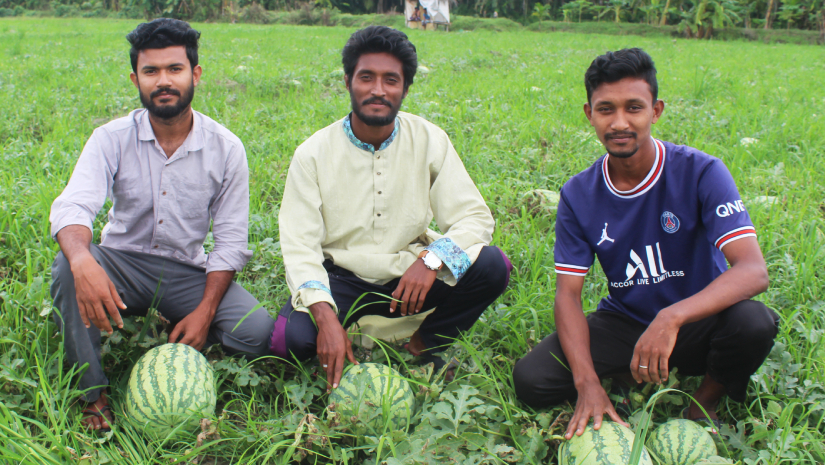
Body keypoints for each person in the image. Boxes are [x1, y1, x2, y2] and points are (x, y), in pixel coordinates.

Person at [512, 48, 779, 439]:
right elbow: (568, 295)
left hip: (696, 320)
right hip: (626, 321)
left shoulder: (702, 172)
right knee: (532, 380)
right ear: (589, 115)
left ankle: (704, 401)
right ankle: (626, 370)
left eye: (634, 108)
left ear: (656, 111)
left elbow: (753, 271)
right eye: (606, 109)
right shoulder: (578, 193)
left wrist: (670, 317)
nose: (620, 122)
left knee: (754, 323)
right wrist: (587, 383)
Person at [49, 19, 274, 431]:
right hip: (121, 264)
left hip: (185, 270)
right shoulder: (111, 138)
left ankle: (180, 321)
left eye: (175, 69)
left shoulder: (225, 148)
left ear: (196, 75)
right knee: (68, 266)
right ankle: (92, 394)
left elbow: (228, 241)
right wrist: (84, 263)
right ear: (136, 78)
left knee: (256, 333)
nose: (163, 81)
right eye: (151, 71)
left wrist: (205, 312)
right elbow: (73, 207)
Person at [270, 26, 511, 391]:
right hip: (341, 279)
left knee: (493, 266)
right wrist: (324, 314)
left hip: (408, 277)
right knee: (287, 342)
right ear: (348, 80)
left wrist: (432, 259)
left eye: (391, 80)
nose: (378, 90)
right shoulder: (313, 153)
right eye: (366, 77)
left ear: (406, 88)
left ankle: (425, 341)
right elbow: (299, 245)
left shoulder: (429, 139)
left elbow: (474, 217)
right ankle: (353, 328)